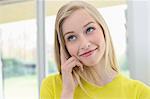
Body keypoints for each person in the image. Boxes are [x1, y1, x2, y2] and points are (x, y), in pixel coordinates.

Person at [40, 1, 150, 99]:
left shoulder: (140, 93)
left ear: (103, 29)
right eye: (71, 37)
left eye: (89, 29)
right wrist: (68, 91)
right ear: (64, 47)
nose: (84, 44)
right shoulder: (51, 86)